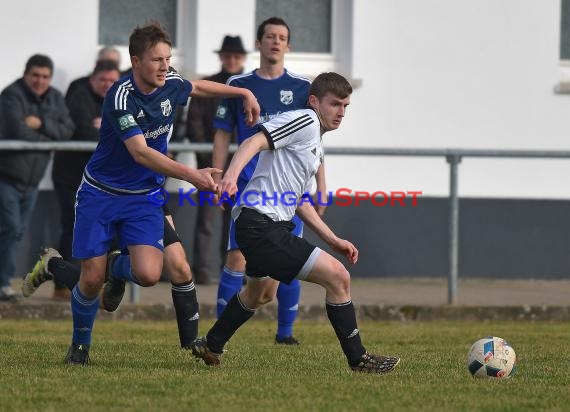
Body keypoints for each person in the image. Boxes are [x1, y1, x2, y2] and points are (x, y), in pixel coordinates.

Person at [62, 22, 259, 365]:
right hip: (101, 194)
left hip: (143, 197)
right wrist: (192, 175)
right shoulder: (119, 96)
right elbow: (141, 153)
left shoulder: (169, 82)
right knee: (91, 279)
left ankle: (114, 266)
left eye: (167, 58)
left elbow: (196, 87)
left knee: (151, 274)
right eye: (156, 59)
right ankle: (80, 346)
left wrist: (241, 93)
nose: (164, 66)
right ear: (135, 61)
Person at [190, 72, 400, 373]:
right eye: (335, 104)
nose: (341, 112)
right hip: (261, 225)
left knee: (261, 293)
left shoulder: (314, 140)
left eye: (346, 106)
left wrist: (333, 240)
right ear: (314, 101)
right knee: (338, 277)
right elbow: (253, 140)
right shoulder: (306, 120)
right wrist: (231, 177)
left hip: (263, 225)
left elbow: (299, 200)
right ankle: (359, 358)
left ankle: (211, 343)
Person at [213, 17, 327, 345]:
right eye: (269, 36)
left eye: (282, 38)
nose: (275, 42)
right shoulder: (239, 84)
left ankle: (285, 333)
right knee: (236, 257)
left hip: (291, 191)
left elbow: (316, 142)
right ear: (259, 43)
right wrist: (219, 176)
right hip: (247, 187)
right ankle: (221, 329)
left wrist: (322, 185)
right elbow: (222, 133)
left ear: (288, 46)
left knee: (292, 257)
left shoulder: (303, 88)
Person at [22, 204, 201, 351]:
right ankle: (53, 263)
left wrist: (165, 210)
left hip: (145, 204)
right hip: (108, 203)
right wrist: (193, 175)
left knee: (179, 265)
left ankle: (192, 348)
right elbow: (141, 159)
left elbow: (152, 168)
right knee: (104, 298)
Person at [0, 54, 74, 301]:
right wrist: (49, 137)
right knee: (11, 229)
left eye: (45, 76)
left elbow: (67, 130)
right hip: (7, 177)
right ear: (25, 74)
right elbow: (16, 130)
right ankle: (3, 284)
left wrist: (40, 123)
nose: (40, 81)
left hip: (32, 182)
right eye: (35, 75)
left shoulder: (54, 97)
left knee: (15, 231)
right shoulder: (11, 95)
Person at [50, 59, 121, 301]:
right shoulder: (79, 95)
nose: (107, 85)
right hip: (70, 176)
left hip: (100, 182)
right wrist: (112, 129)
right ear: (93, 79)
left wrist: (105, 127)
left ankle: (98, 285)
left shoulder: (121, 97)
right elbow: (80, 129)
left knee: (108, 232)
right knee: (71, 226)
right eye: (103, 80)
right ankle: (60, 285)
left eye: (112, 80)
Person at [186, 35, 247, 285]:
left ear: (242, 58)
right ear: (221, 57)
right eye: (228, 56)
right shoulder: (207, 86)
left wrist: (240, 161)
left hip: (242, 168)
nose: (232, 60)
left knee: (238, 219)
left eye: (236, 56)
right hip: (210, 169)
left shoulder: (247, 87)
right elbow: (194, 124)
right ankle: (201, 270)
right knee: (207, 220)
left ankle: (233, 269)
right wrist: (210, 161)